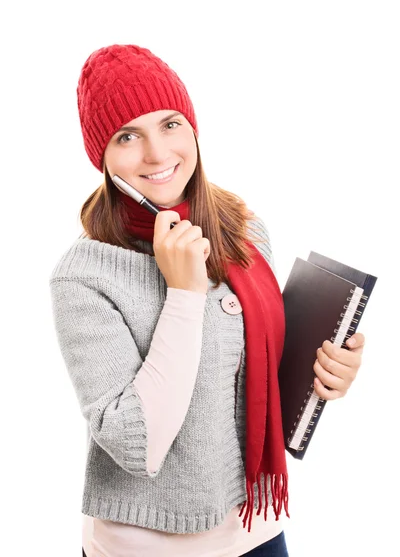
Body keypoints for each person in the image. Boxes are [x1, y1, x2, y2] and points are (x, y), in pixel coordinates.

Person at [49, 43, 364, 557]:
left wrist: (322, 375)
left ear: (192, 128)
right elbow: (135, 446)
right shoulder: (83, 276)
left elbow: (248, 380)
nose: (157, 154)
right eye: (128, 136)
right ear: (100, 156)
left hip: (255, 524)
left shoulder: (243, 231)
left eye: (170, 124)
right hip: (144, 545)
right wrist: (183, 293)